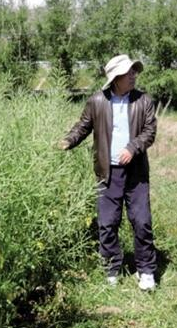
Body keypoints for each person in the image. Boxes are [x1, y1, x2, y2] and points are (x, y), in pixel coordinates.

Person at [59, 54, 158, 291]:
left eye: (134, 71)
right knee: (107, 222)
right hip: (107, 172)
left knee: (142, 221)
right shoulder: (97, 101)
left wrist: (133, 148)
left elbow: (149, 131)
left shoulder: (143, 100)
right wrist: (67, 141)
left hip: (136, 173)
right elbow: (83, 126)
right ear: (115, 78)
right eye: (128, 72)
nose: (133, 75)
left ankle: (145, 271)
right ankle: (112, 269)